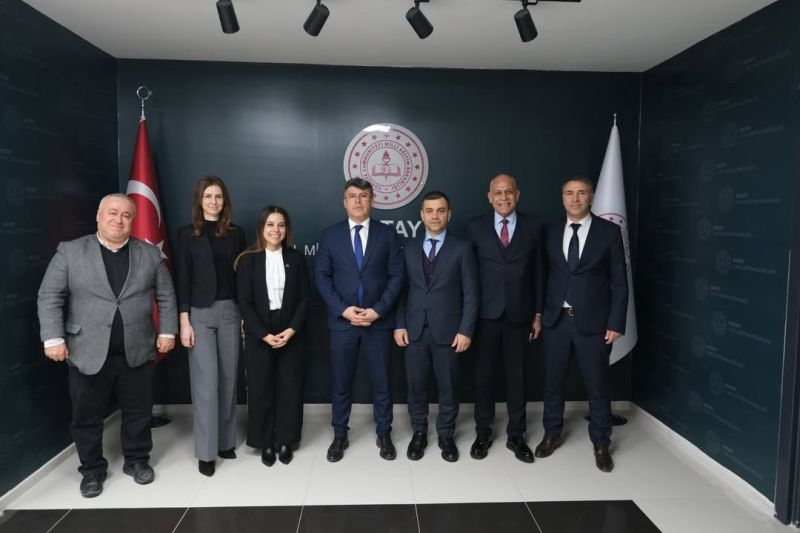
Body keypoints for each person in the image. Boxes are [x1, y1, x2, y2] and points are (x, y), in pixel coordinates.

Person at [37, 193, 177, 498]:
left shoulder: (149, 254)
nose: (118, 219)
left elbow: (166, 296)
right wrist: (53, 338)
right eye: (112, 213)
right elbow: (49, 296)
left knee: (138, 412)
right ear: (99, 216)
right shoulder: (70, 251)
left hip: (137, 350)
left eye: (126, 215)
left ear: (133, 221)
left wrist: (168, 331)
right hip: (85, 351)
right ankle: (92, 471)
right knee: (86, 418)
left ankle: (137, 461)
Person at [535, 176, 628, 472]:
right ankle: (551, 433)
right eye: (569, 193)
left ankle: (601, 442)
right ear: (562, 198)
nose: (575, 199)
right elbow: (541, 276)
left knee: (597, 386)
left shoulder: (609, 232)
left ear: (591, 197)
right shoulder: (549, 231)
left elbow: (620, 282)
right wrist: (538, 314)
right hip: (556, 321)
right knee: (553, 384)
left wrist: (616, 322)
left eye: (581, 193)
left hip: (594, 324)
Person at [315, 178, 404, 462]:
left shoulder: (387, 234)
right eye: (352, 196)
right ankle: (339, 434)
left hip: (378, 323)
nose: (357, 201)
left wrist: (378, 311)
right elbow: (322, 277)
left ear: (372, 200)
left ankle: (384, 433)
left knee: (382, 383)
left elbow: (396, 277)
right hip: (343, 324)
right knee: (341, 383)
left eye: (363, 196)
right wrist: (344, 310)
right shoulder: (330, 235)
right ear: (344, 202)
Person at [394, 191, 479, 462]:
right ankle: (419, 432)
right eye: (429, 210)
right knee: (416, 386)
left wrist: (465, 330)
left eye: (440, 210)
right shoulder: (408, 247)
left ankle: (446, 435)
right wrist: (399, 325)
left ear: (448, 214)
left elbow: (471, 293)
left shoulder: (462, 248)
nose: (434, 216)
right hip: (415, 330)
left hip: (450, 332)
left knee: (449, 387)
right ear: (421, 215)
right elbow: (401, 290)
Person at [467, 173, 544, 463]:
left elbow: (540, 273)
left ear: (517, 195)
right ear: (489, 197)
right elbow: (468, 277)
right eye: (497, 192)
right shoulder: (474, 227)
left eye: (508, 192)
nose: (503, 197)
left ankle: (516, 435)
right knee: (483, 377)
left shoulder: (534, 226)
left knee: (517, 378)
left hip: (519, 315)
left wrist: (538, 313)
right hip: (485, 316)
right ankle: (483, 432)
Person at [176, 176, 245, 477]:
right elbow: (182, 278)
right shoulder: (186, 234)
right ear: (200, 200)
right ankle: (206, 452)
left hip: (231, 311)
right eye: (208, 196)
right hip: (200, 314)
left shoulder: (236, 233)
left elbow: (241, 275)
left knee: (229, 379)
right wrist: (184, 321)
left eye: (218, 196)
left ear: (224, 200)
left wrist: (244, 314)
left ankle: (226, 442)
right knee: (206, 384)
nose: (213, 201)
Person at [236, 206, 309, 467]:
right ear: (261, 228)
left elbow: (304, 298)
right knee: (260, 388)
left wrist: (292, 329)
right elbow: (245, 303)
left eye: (281, 225)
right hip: (259, 330)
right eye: (270, 224)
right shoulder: (248, 261)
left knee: (290, 387)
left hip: (290, 328)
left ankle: (286, 440)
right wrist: (263, 334)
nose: (275, 230)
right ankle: (265, 441)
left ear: (287, 229)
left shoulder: (296, 258)